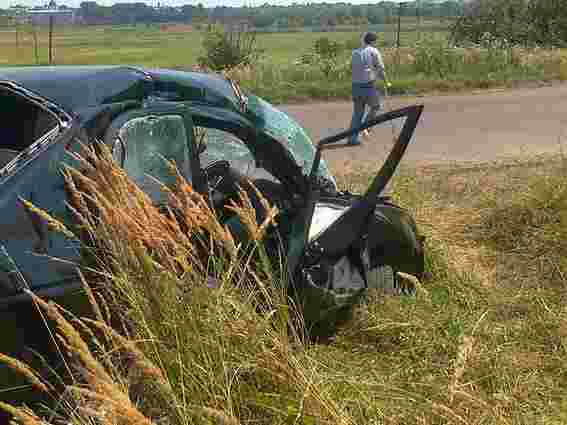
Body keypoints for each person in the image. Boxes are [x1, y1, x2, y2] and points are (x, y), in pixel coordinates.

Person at [348, 31, 390, 146]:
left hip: (355, 86)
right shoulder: (373, 51)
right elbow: (381, 68)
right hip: (368, 86)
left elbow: (351, 67)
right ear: (372, 41)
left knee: (357, 113)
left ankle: (352, 139)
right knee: (376, 106)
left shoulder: (355, 52)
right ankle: (365, 128)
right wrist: (386, 82)